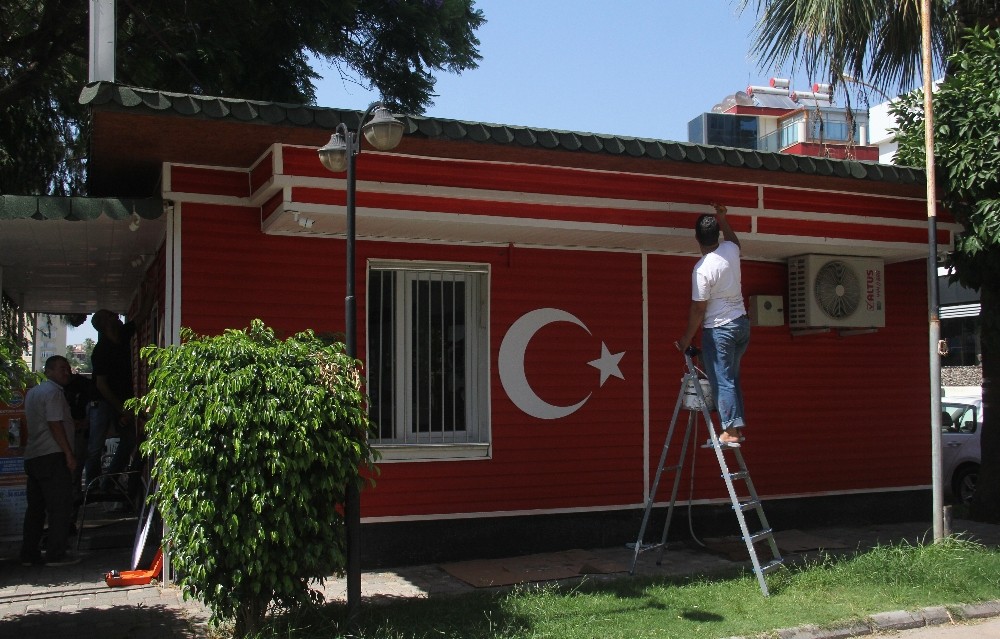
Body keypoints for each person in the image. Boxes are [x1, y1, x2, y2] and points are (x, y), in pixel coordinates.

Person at [676, 203, 750, 448]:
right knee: (732, 377)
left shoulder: (702, 270)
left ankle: (729, 430)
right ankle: (735, 428)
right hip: (741, 325)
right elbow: (734, 241)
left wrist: (686, 340)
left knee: (722, 379)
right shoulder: (730, 250)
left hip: (720, 330)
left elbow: (699, 308)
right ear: (717, 235)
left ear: (697, 238)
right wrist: (723, 219)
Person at [20, 355, 79, 566]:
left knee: (35, 508)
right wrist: (69, 454)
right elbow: (55, 424)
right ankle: (56, 553)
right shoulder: (53, 393)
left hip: (33, 455)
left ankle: (29, 553)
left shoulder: (33, 392)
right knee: (59, 506)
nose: (67, 372)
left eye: (68, 368)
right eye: (62, 368)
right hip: (52, 456)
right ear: (49, 371)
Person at [86, 304, 147, 490]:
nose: (116, 315)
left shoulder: (122, 336)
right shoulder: (101, 351)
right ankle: (92, 488)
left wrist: (149, 290)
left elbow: (142, 315)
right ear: (105, 324)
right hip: (103, 402)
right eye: (111, 315)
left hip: (123, 401)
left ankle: (108, 484)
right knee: (96, 448)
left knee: (128, 442)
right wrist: (121, 408)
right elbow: (101, 385)